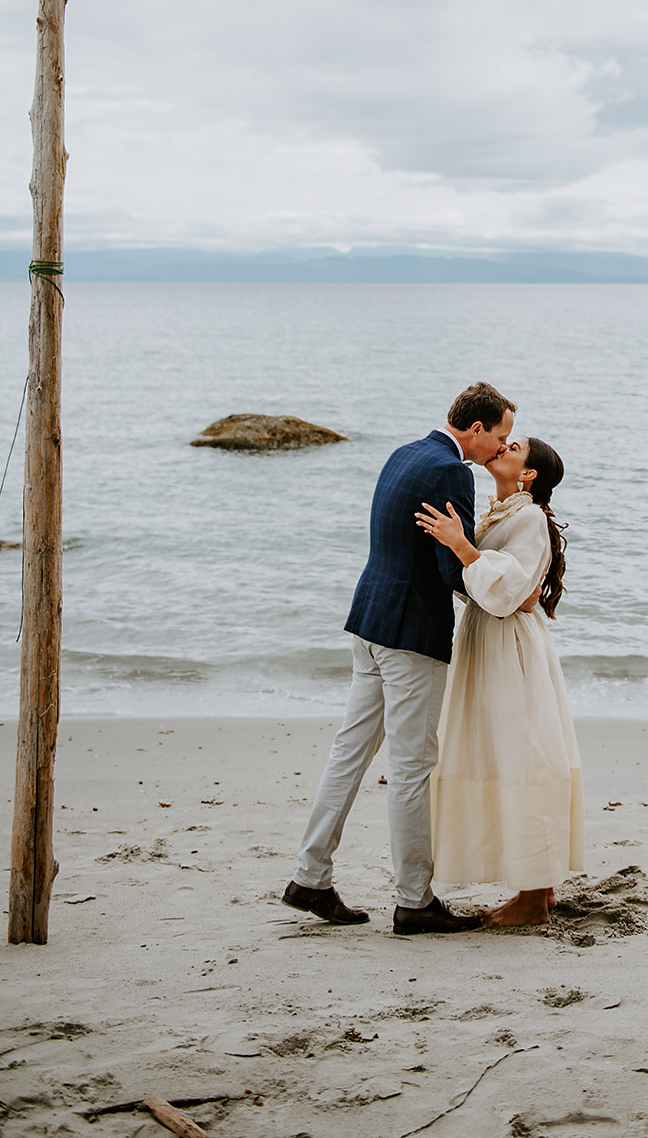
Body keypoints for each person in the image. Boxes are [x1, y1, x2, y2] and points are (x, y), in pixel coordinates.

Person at [283, 381, 516, 934]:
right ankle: (415, 901)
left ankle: (309, 876)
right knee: (412, 769)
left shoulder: (405, 453)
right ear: (476, 429)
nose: (500, 450)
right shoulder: (451, 471)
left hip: (369, 619)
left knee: (350, 752)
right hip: (411, 634)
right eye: (499, 437)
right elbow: (446, 566)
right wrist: (504, 587)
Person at [415, 434, 583, 927]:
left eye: (516, 447)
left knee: (523, 756)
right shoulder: (505, 511)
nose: (504, 446)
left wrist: (461, 545)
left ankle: (533, 899)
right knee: (511, 754)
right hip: (489, 637)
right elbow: (507, 586)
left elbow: (510, 588)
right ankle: (540, 887)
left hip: (509, 647)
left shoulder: (528, 516)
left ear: (528, 474)